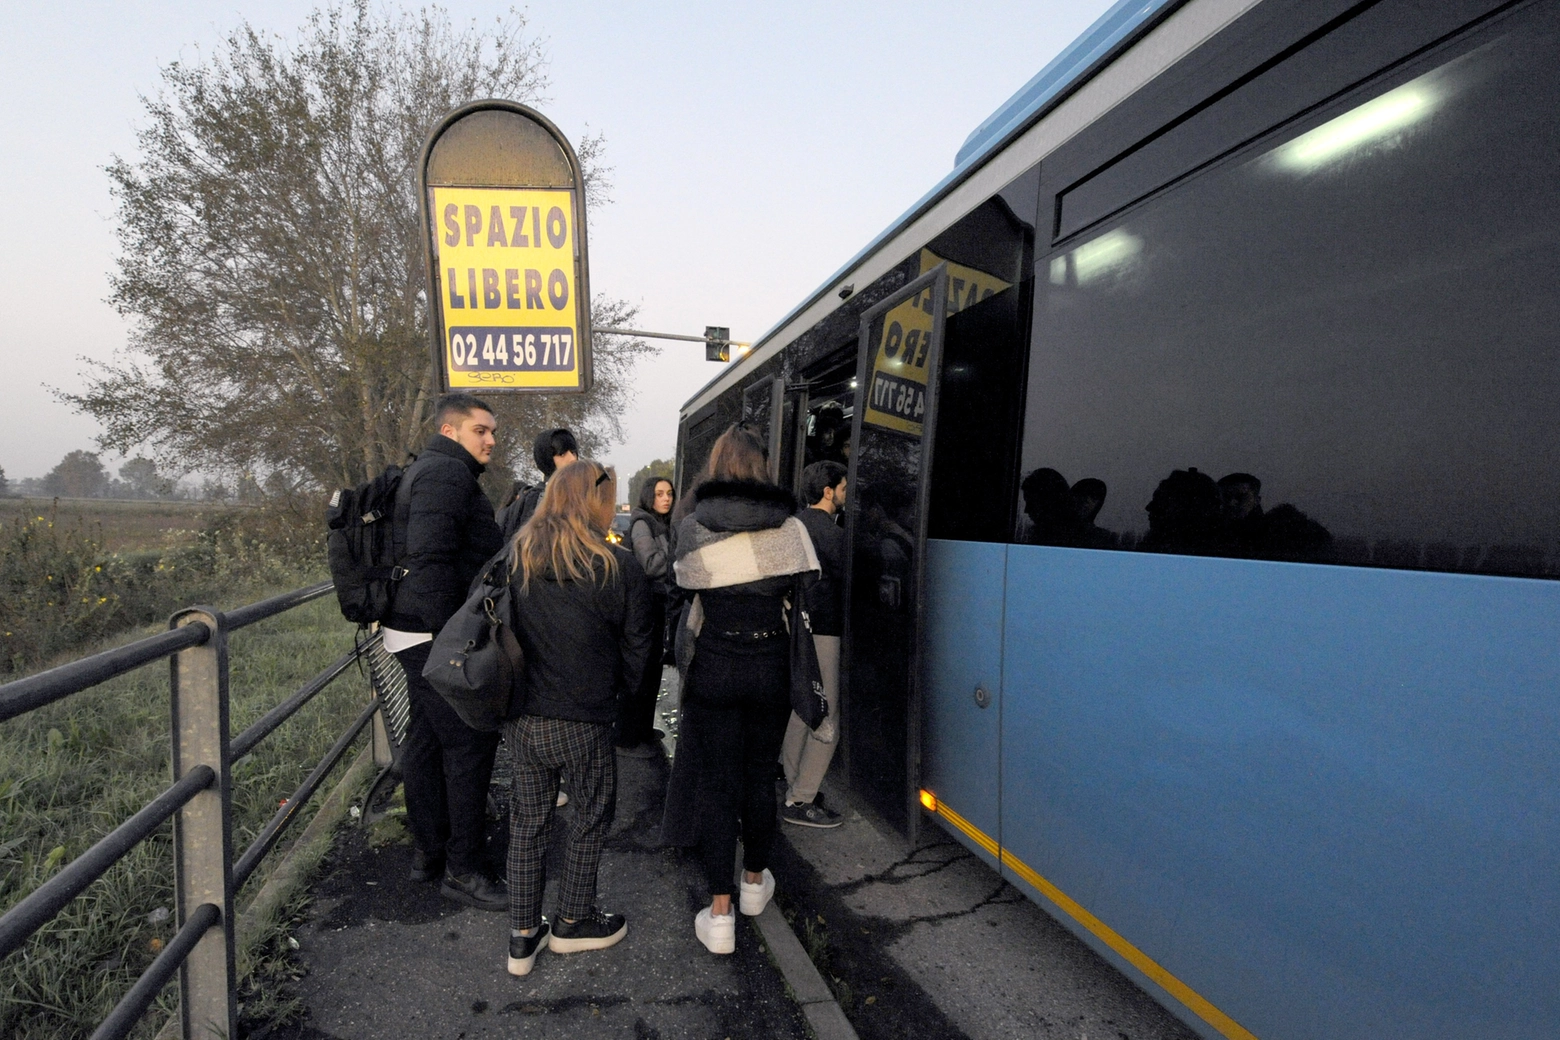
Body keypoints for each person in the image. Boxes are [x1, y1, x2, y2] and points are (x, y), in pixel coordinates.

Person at [660, 424, 820, 955]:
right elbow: (807, 587)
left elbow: (681, 585)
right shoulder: (793, 529)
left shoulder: (692, 526)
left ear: (717, 466)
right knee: (758, 777)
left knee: (716, 784)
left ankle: (720, 912)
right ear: (763, 468)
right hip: (770, 666)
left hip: (714, 668)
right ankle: (755, 883)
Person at [502, 459, 653, 975]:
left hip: (523, 717)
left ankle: (523, 937)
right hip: (585, 719)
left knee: (528, 822)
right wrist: (624, 703)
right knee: (590, 817)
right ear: (593, 501)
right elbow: (638, 648)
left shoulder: (517, 557)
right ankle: (572, 922)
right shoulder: (617, 566)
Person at [382, 393, 507, 910]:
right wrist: (454, 645)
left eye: (492, 432)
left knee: (428, 743)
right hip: (431, 637)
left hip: (415, 633)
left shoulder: (435, 471)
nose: (492, 441)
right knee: (467, 747)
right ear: (451, 431)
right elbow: (430, 563)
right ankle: (463, 868)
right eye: (482, 431)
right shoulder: (444, 476)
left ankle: (429, 854)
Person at [780, 460, 847, 828]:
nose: (846, 495)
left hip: (799, 628)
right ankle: (801, 798)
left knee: (802, 706)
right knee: (827, 716)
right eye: (844, 488)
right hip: (825, 631)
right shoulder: (833, 535)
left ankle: (792, 779)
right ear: (828, 491)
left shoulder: (796, 524)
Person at [618, 475, 675, 757]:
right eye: (660, 493)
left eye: (669, 494)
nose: (666, 498)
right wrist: (678, 555)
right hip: (646, 603)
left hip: (657, 601)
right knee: (641, 666)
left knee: (652, 667)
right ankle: (629, 733)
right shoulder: (643, 523)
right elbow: (651, 564)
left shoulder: (661, 523)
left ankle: (642, 728)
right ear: (648, 496)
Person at [496, 427, 579, 543]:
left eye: (573, 452)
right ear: (547, 458)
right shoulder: (534, 500)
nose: (572, 459)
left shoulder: (579, 497)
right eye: (562, 454)